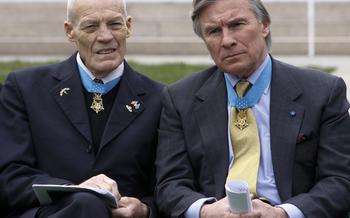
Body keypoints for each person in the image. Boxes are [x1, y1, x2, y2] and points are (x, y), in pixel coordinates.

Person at [155, 0, 350, 217]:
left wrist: (284, 214)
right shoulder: (181, 99)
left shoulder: (322, 93)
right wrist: (205, 211)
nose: (227, 40)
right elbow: (170, 184)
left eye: (237, 25)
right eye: (214, 31)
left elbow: (340, 180)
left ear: (264, 25)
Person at [0, 0, 163, 217]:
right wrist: (76, 194)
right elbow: (11, 177)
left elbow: (168, 182)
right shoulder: (25, 89)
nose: (105, 36)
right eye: (91, 26)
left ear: (129, 27)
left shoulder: (160, 99)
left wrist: (145, 209)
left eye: (115, 24)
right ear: (70, 31)